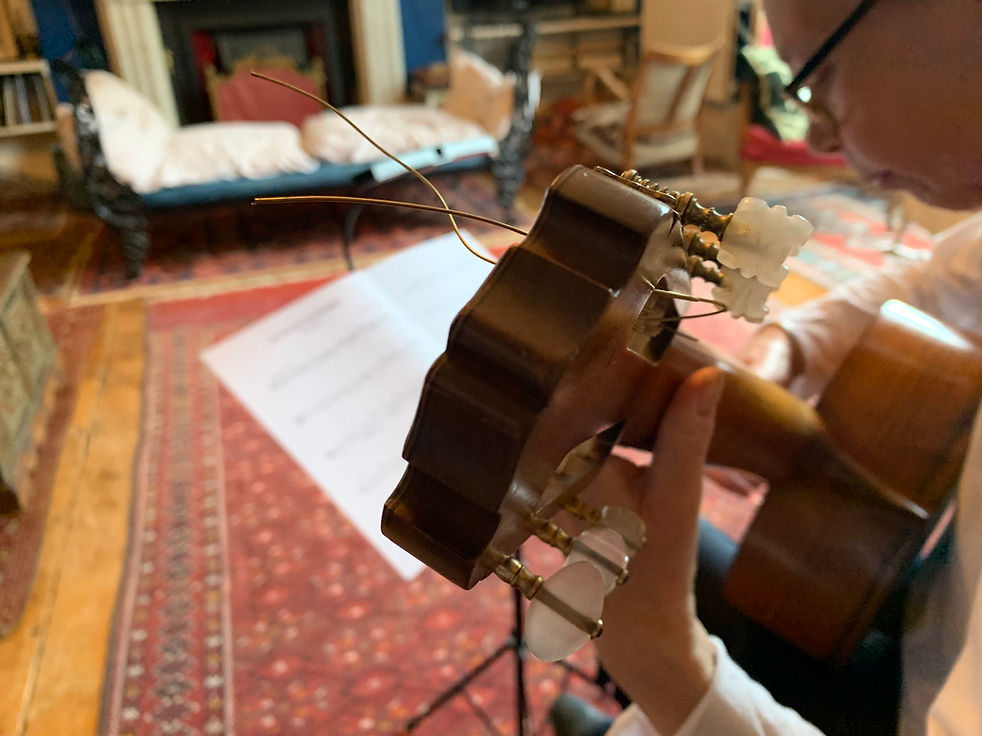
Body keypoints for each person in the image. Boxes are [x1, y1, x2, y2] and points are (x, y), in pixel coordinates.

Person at [550, 0, 982, 734]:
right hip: (923, 625)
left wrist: (666, 661)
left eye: (819, 73)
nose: (811, 129)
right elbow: (927, 278)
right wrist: (791, 344)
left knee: (652, 614)